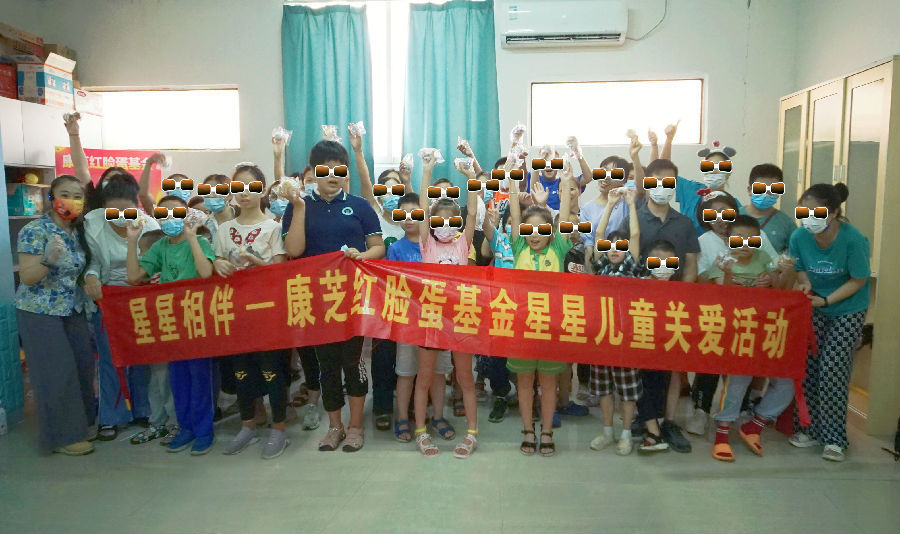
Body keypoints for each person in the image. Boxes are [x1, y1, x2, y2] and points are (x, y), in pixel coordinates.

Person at [282, 139, 385, 453]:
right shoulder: (298, 206)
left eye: (339, 170)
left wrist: (362, 255)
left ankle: (355, 427)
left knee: (353, 363)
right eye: (324, 170)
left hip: (353, 299)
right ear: (313, 172)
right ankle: (335, 427)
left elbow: (378, 247)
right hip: (316, 302)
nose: (332, 176)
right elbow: (293, 249)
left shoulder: (360, 206)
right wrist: (300, 206)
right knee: (326, 366)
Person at [211, 163, 291, 459]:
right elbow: (215, 263)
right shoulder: (224, 229)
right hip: (235, 311)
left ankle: (279, 428)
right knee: (241, 370)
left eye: (251, 187)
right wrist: (218, 264)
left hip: (266, 311)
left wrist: (254, 260)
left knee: (272, 370)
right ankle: (247, 425)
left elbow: (280, 271)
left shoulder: (273, 227)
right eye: (238, 187)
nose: (244, 193)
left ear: (262, 190)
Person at [126, 194, 216, 455]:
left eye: (176, 213)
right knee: (178, 380)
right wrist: (132, 241)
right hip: (172, 322)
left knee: (200, 377)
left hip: (197, 320)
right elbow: (133, 277)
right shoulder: (160, 246)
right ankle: (185, 428)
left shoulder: (200, 241)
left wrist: (191, 237)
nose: (169, 219)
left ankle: (203, 431)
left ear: (186, 215)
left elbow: (205, 272)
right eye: (163, 214)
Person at [686, 190, 779, 437]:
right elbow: (699, 277)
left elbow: (774, 267)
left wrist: (768, 278)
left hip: (750, 315)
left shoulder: (757, 235)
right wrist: (720, 277)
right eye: (712, 213)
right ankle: (701, 410)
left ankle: (737, 410)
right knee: (710, 361)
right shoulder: (703, 241)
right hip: (716, 313)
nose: (719, 218)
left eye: (725, 212)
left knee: (742, 362)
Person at [789, 183, 870, 462]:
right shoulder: (799, 236)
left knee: (833, 369)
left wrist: (827, 301)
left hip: (847, 308)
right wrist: (806, 286)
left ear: (834, 213)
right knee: (810, 367)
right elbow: (800, 268)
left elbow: (858, 279)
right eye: (804, 212)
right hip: (815, 305)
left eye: (817, 212)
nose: (809, 218)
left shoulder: (853, 240)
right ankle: (808, 429)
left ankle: (835, 438)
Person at [15, 175, 95, 455]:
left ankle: (81, 424)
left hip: (73, 308)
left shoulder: (79, 231)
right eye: (65, 194)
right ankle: (62, 437)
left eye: (77, 196)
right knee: (56, 371)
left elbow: (83, 267)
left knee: (83, 366)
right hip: (40, 311)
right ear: (51, 198)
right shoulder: (34, 230)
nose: (71, 201)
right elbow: (27, 277)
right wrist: (47, 260)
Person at [705, 215, 795, 461]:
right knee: (737, 382)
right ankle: (722, 433)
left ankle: (755, 425)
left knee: (787, 381)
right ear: (728, 240)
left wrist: (774, 278)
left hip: (766, 330)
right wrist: (727, 275)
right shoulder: (723, 260)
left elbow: (781, 291)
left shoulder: (764, 258)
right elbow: (719, 298)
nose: (745, 244)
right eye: (738, 239)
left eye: (751, 239)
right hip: (737, 332)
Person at [506, 160, 576, 457]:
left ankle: (546, 432)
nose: (535, 234)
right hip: (521, 329)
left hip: (551, 329)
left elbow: (565, 216)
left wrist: (565, 185)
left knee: (548, 384)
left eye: (541, 229)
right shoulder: (519, 247)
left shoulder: (558, 247)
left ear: (551, 231)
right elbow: (514, 210)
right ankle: (527, 430)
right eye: (529, 229)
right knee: (524, 383)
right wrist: (512, 178)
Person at [412, 150, 479, 458]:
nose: (446, 225)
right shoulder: (426, 243)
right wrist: (426, 170)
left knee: (465, 378)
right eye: (440, 219)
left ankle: (472, 433)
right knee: (424, 377)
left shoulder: (463, 243)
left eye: (453, 220)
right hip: (430, 318)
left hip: (461, 318)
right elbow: (422, 208)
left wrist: (471, 178)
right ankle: (421, 432)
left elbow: (473, 214)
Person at [83, 171, 159, 441]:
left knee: (142, 357)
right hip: (108, 300)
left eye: (127, 210)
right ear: (103, 208)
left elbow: (156, 262)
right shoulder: (92, 225)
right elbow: (90, 261)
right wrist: (91, 276)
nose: (120, 216)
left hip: (141, 297)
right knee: (110, 359)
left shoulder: (149, 226)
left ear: (136, 207)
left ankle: (142, 410)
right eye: (112, 211)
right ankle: (111, 417)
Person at [634, 157, 700, 453]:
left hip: (674, 307)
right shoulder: (634, 218)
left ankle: (669, 422)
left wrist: (680, 299)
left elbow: (691, 265)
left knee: (672, 366)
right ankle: (645, 418)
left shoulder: (684, 223)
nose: (661, 187)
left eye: (668, 182)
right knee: (641, 365)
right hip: (641, 306)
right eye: (656, 181)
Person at [386, 192, 456, 444]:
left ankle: (438, 416)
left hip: (439, 322)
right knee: (406, 373)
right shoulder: (395, 248)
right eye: (402, 214)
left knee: (438, 373)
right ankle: (402, 418)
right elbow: (392, 286)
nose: (408, 219)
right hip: (408, 324)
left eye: (414, 213)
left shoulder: (437, 246)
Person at [585, 187, 642, 456]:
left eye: (620, 246)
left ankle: (626, 434)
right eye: (610, 247)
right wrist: (609, 205)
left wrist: (630, 205)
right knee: (604, 389)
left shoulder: (631, 266)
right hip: (602, 336)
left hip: (626, 337)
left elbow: (635, 235)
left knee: (627, 390)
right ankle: (607, 432)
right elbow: (598, 234)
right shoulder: (602, 267)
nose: (614, 250)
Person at [739, 163, 797, 254]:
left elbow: (795, 254)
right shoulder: (734, 217)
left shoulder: (787, 224)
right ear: (749, 190)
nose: (766, 194)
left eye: (772, 191)